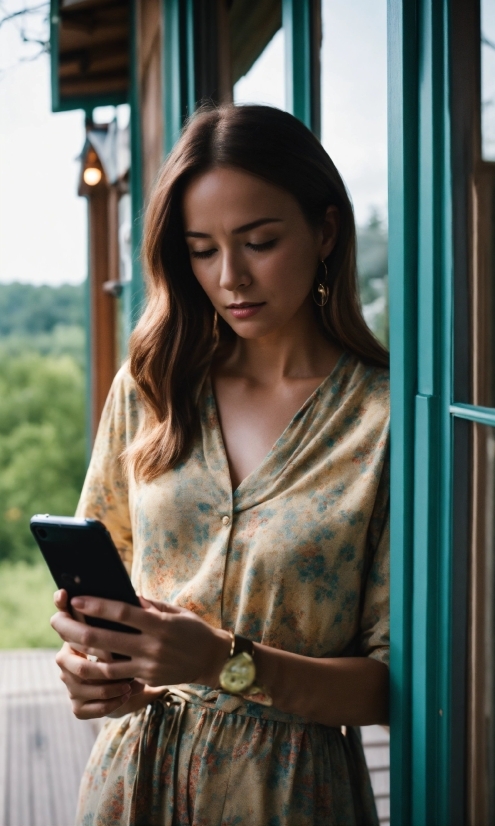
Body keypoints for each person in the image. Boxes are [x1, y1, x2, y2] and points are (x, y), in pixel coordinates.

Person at [51, 104, 390, 826]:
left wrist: (218, 662)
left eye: (258, 241)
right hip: (130, 780)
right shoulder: (151, 388)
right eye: (202, 249)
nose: (230, 275)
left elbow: (392, 690)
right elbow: (101, 593)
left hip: (289, 794)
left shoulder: (385, 420)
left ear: (325, 231)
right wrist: (92, 668)